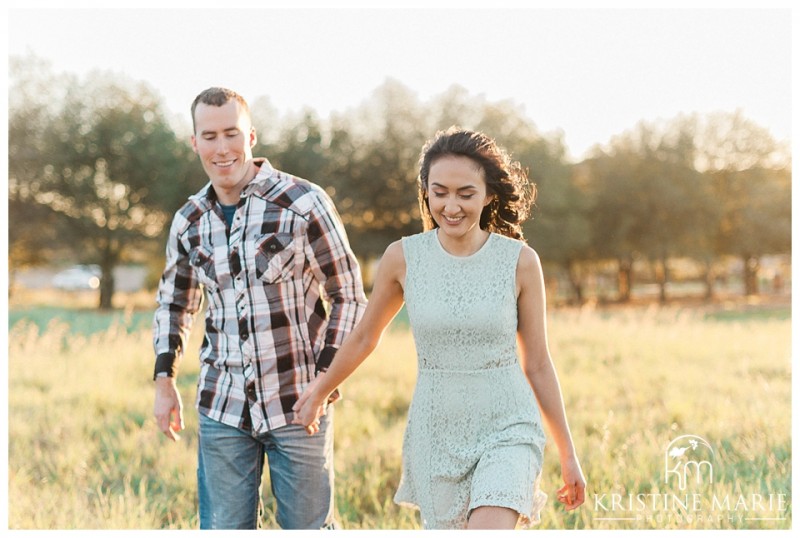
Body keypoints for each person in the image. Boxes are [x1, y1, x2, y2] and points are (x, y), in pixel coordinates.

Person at [293, 127, 586, 529]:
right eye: (440, 192)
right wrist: (319, 391)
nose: (451, 206)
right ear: (426, 192)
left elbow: (537, 362)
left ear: (488, 195)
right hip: (437, 432)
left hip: (508, 426)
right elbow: (364, 337)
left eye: (466, 193)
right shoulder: (402, 258)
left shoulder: (520, 261)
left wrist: (568, 454)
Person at [152, 87, 367, 530]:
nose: (222, 147)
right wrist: (164, 379)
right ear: (195, 143)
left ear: (252, 135)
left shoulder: (303, 203)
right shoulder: (189, 220)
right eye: (209, 136)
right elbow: (175, 304)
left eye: (232, 133)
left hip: (298, 404)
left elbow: (348, 295)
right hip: (222, 406)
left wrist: (324, 382)